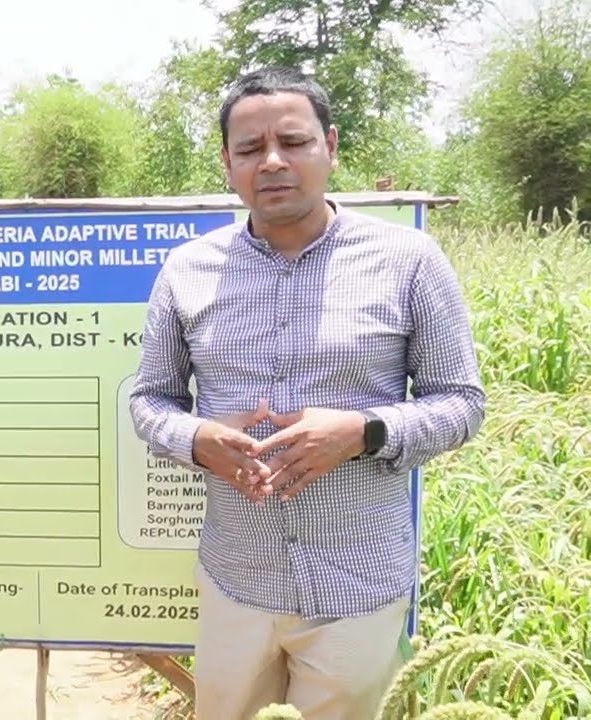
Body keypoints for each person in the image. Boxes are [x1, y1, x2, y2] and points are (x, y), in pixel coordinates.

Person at [128, 66, 486, 720]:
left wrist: (365, 431)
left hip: (357, 588)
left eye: (293, 142)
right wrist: (199, 439)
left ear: (331, 145)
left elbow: (462, 402)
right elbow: (149, 401)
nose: (272, 162)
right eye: (249, 149)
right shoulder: (187, 270)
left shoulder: (408, 261)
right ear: (227, 163)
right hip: (237, 581)